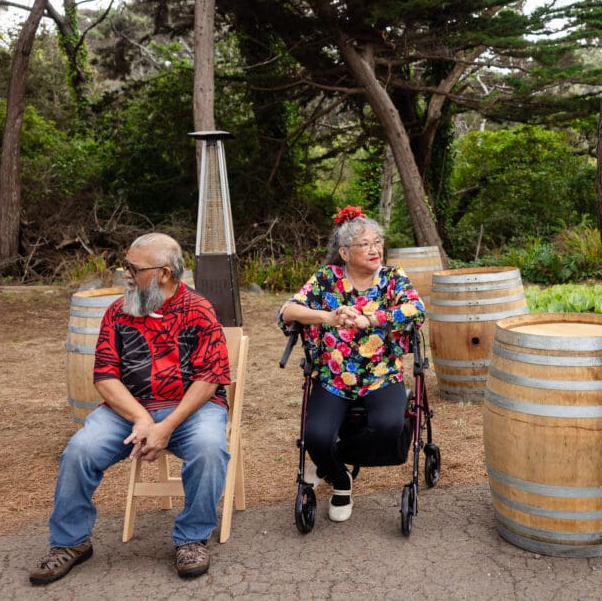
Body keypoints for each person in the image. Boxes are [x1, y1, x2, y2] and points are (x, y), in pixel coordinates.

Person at [29, 233, 231, 585]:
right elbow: (105, 376)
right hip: (127, 409)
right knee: (80, 449)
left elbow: (209, 378)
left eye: (133, 268)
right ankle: (70, 543)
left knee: (209, 447)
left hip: (190, 409)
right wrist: (140, 417)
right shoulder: (118, 312)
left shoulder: (198, 311)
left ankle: (192, 539)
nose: (125, 273)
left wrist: (165, 426)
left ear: (165, 273)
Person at [278, 206, 425, 522]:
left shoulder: (391, 278)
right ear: (344, 252)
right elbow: (288, 310)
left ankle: (331, 460)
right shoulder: (326, 278)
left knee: (389, 427)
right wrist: (327, 317)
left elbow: (416, 310)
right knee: (316, 436)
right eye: (365, 244)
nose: (375, 250)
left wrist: (369, 319)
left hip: (381, 374)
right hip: (333, 378)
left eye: (377, 242)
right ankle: (341, 481)